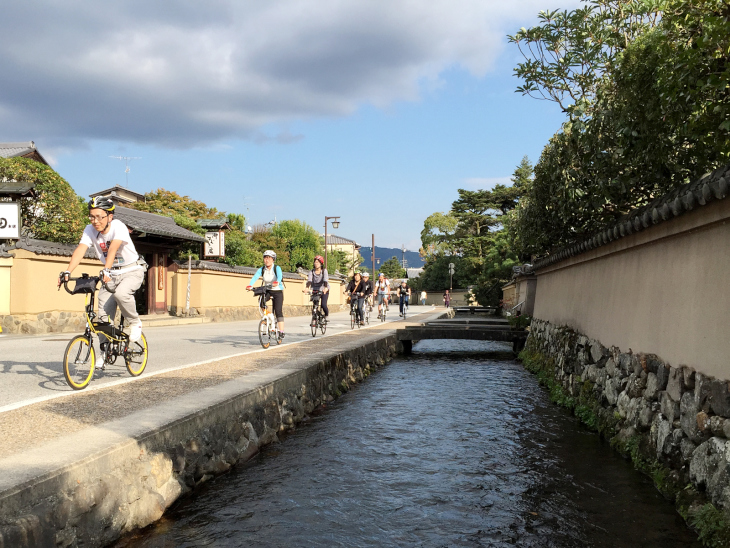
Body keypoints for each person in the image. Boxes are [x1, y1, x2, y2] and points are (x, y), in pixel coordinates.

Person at [58, 196, 147, 366]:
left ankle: (135, 323)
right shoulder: (89, 230)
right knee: (102, 316)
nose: (95, 221)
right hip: (111, 273)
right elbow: (81, 249)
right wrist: (68, 271)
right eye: (92, 216)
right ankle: (104, 351)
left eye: (99, 216)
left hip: (132, 270)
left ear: (109, 216)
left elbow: (113, 248)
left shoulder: (118, 226)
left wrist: (106, 268)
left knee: (122, 294)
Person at [247, 250, 285, 339]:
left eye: (269, 258)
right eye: (265, 257)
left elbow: (280, 276)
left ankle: (281, 331)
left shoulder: (276, 268)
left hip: (277, 290)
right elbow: (255, 277)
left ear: (273, 259)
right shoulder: (262, 269)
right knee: (261, 302)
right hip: (267, 290)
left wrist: (277, 282)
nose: (267, 260)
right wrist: (250, 285)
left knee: (278, 311)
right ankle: (269, 316)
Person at [304, 255, 329, 323]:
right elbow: (309, 280)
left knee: (323, 304)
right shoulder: (312, 271)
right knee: (315, 305)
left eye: (317, 262)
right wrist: (306, 288)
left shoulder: (324, 271)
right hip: (315, 289)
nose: (316, 263)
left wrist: (326, 288)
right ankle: (314, 318)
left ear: (321, 263)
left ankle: (326, 315)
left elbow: (325, 280)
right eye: (315, 262)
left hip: (324, 289)